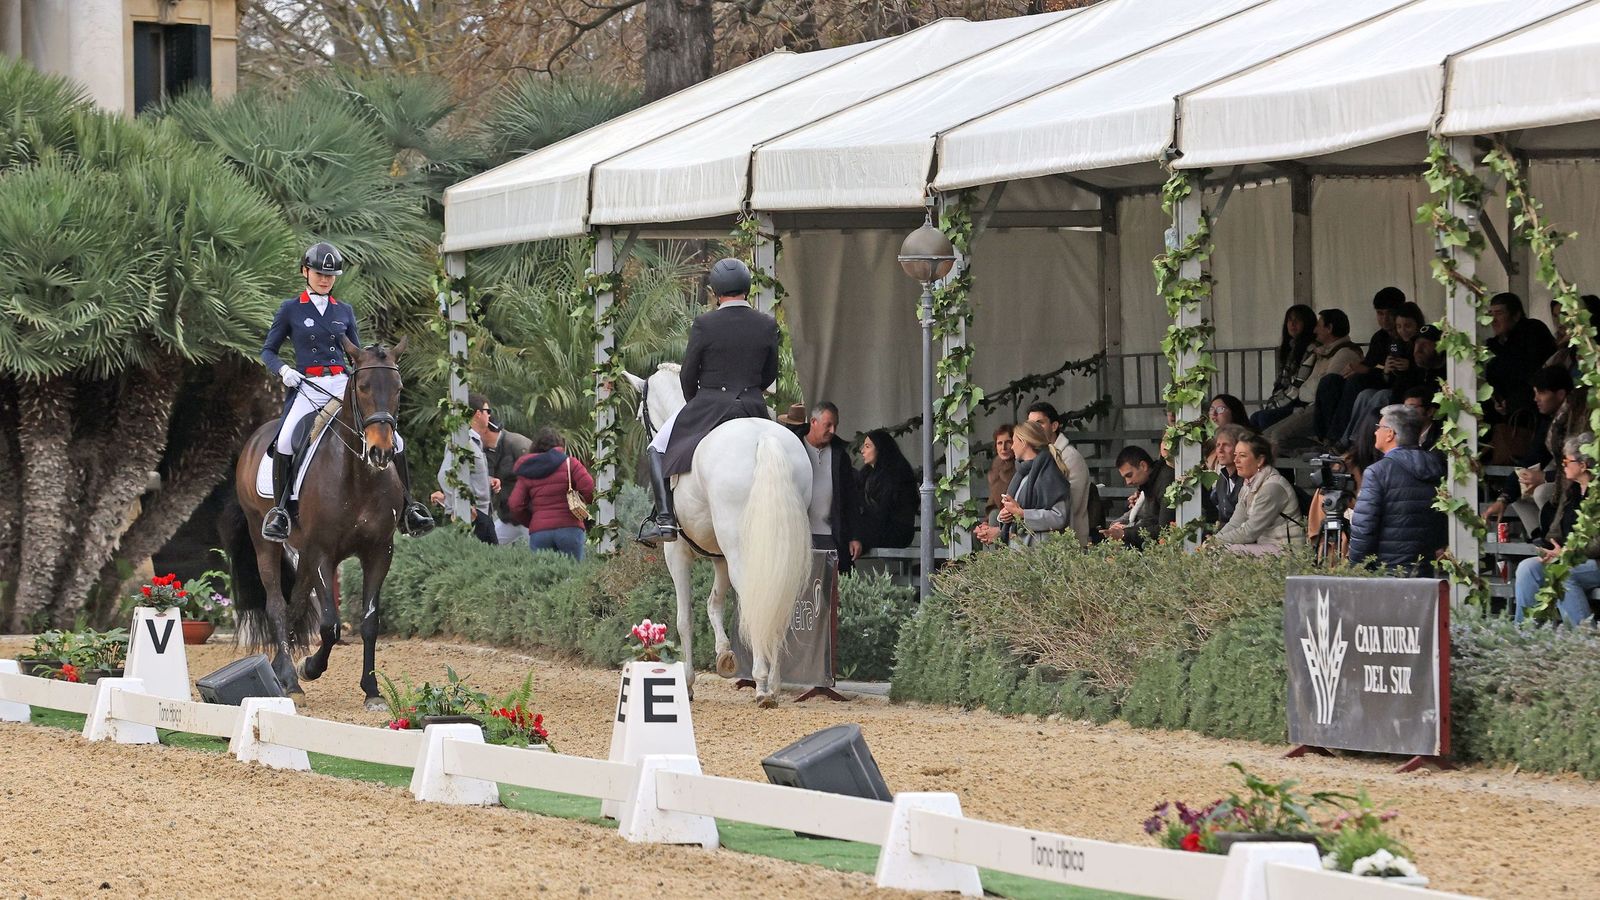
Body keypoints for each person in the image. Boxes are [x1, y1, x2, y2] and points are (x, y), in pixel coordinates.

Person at [259, 241, 432, 542]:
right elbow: (268, 351)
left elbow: (358, 354)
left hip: (343, 383)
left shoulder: (345, 311)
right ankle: (282, 512)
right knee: (286, 440)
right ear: (305, 272)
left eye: (330, 275)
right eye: (318, 273)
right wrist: (284, 371)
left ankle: (408, 508)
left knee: (397, 441)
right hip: (307, 385)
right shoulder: (291, 309)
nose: (324, 280)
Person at [639, 258, 780, 545]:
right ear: (747, 289)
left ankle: (665, 519)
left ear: (717, 292)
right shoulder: (766, 323)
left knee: (657, 447)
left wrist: (697, 402)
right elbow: (770, 374)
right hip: (753, 405)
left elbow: (688, 374)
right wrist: (750, 391)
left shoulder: (705, 323)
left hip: (712, 403)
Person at [1347, 404, 1448, 574]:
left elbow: (1364, 528)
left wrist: (1354, 567)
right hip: (1424, 569)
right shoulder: (1436, 466)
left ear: (1390, 434)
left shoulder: (1377, 472)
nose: (1375, 432)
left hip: (1387, 571)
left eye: (1379, 427)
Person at [1513, 434, 1599, 625]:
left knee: (1562, 573)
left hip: (1594, 561)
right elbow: (1559, 529)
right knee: (1527, 569)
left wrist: (1568, 554)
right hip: (1572, 558)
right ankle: (1524, 638)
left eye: (1566, 461)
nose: (1562, 465)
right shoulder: (1573, 491)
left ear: (1583, 465)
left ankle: (1584, 642)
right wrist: (1552, 549)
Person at [1486, 366, 1579, 536]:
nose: (1536, 399)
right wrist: (1503, 499)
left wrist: (1545, 477)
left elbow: (1577, 462)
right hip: (1563, 477)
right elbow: (1532, 459)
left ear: (1560, 394)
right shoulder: (1550, 422)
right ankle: (1538, 538)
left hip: (1579, 483)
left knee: (1542, 492)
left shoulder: (1577, 418)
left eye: (1541, 393)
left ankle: (1555, 539)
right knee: (1518, 493)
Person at [1320, 295, 1417, 441]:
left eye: (1389, 314)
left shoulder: (1417, 339)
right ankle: (1329, 438)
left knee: (1361, 388)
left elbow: (1426, 366)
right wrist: (1367, 369)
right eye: (1380, 313)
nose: (1385, 319)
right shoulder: (1379, 337)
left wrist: (1409, 365)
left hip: (1402, 386)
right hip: (1381, 380)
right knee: (1332, 381)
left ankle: (1346, 440)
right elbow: (1370, 363)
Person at [1256, 309, 1362, 437]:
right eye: (1289, 320)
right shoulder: (1324, 352)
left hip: (1315, 409)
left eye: (1318, 325)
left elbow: (1320, 391)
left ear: (1329, 328)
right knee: (1266, 435)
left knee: (1276, 436)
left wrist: (1302, 394)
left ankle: (1315, 450)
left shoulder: (1344, 353)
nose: (1314, 330)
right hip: (1307, 406)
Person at [507, 427, 595, 561]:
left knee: (544, 579)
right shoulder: (570, 463)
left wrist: (533, 522)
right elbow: (589, 487)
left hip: (540, 532)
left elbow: (515, 504)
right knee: (575, 578)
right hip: (570, 528)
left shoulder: (527, 470)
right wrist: (583, 506)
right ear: (560, 445)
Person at [982, 421, 1071, 547]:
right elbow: (1018, 512)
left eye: (1014, 442)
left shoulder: (1049, 474)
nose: (1012, 447)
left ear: (1023, 443)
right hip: (1021, 551)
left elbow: (1059, 517)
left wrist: (1021, 513)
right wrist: (1006, 515)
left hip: (1039, 552)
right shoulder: (1022, 474)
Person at [796, 401, 861, 573]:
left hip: (832, 536)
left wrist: (854, 536)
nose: (833, 431)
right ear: (813, 422)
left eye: (835, 425)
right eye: (828, 425)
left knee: (832, 591)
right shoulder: (793, 449)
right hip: (799, 536)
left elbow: (851, 500)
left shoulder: (840, 455)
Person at [1214, 434, 1304, 555]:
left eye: (1243, 456)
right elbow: (1235, 523)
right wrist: (1213, 540)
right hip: (1267, 549)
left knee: (1224, 551)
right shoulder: (1247, 485)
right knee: (1216, 549)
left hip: (1288, 553)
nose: (1236, 460)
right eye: (1235, 455)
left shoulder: (1272, 487)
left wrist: (1216, 543)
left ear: (1260, 460)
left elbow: (1249, 532)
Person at [431, 392, 498, 544]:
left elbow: (466, 476)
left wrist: (488, 481)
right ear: (478, 414)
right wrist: (462, 507)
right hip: (475, 518)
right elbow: (445, 475)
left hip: (482, 515)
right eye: (488, 411)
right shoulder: (464, 441)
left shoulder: (474, 442)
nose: (489, 416)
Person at [1025, 401, 1093, 546]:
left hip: (1068, 542)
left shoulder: (1071, 457)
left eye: (1040, 423)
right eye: (1031, 425)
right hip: (1041, 537)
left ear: (1054, 426)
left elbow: (1072, 504)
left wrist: (1028, 514)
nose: (1035, 429)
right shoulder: (1036, 456)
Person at [1485, 292, 1558, 421]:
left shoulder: (1532, 331)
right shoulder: (1494, 345)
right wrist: (1498, 400)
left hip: (1536, 411)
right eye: (1490, 314)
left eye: (1499, 313)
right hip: (1507, 415)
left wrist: (1514, 400)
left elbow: (1534, 372)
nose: (1493, 319)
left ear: (1516, 315)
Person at [854, 429, 917, 552]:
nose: (862, 451)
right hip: (878, 526)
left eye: (867, 446)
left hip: (896, 531)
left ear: (880, 449)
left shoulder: (896, 474)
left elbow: (883, 511)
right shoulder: (867, 473)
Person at [1102, 445, 1174, 548]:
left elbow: (1164, 529)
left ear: (1143, 466)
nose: (1128, 482)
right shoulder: (1151, 482)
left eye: (1129, 475)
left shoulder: (1165, 480)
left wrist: (1124, 533)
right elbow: (1151, 520)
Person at [482, 418, 533, 545]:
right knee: (485, 545)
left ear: (486, 430)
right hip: (508, 517)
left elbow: (538, 479)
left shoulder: (518, 444)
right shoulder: (484, 450)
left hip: (531, 517)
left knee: (544, 555)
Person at [1268, 305, 1318, 399]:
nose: (1292, 324)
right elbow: (1281, 380)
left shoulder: (1312, 349)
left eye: (1298, 320)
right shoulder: (1289, 348)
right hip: (1286, 395)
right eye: (1289, 320)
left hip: (1300, 398)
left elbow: (1300, 382)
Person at [1206, 423, 1249, 526]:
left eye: (1226, 445)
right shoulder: (1221, 478)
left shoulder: (1248, 479)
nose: (1220, 450)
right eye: (1218, 445)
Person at [984, 424, 1017, 518]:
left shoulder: (1020, 468)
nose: (1003, 448)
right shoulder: (996, 468)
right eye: (999, 443)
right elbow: (992, 503)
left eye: (1008, 442)